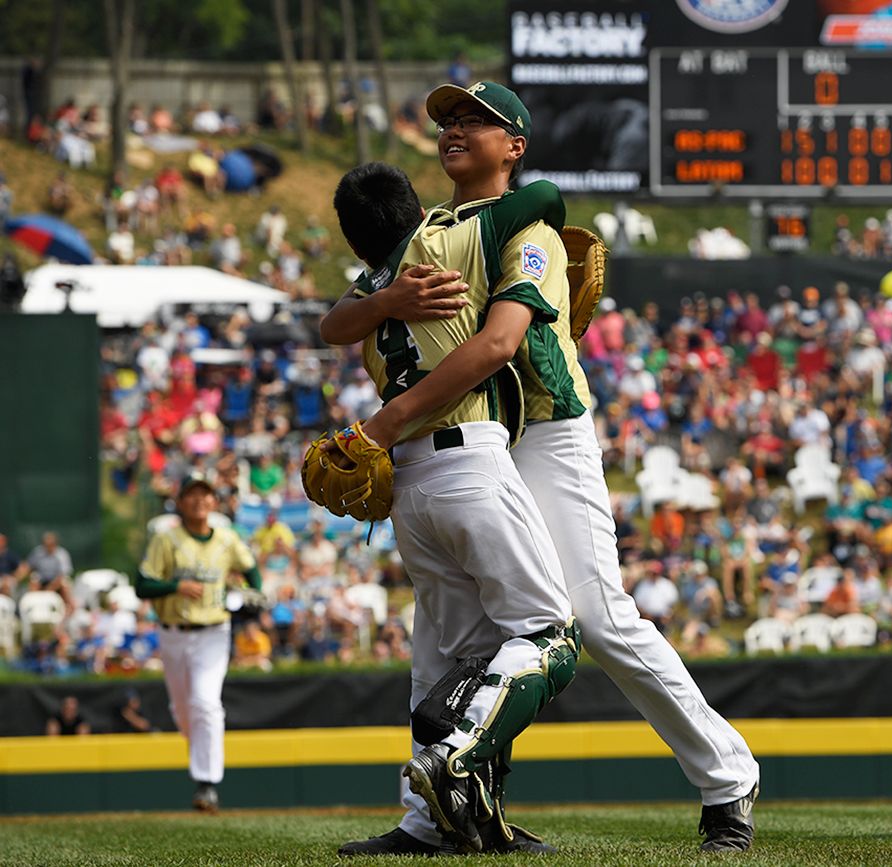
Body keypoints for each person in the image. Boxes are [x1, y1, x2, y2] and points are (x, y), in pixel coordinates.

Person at [326, 80, 760, 855]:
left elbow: (498, 341)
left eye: (476, 120)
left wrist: (385, 417)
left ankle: (729, 776)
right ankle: (441, 815)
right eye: (449, 119)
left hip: (546, 431)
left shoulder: (532, 225)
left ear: (515, 145)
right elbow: (338, 318)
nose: (456, 128)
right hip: (475, 431)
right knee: (447, 636)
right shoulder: (429, 231)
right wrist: (389, 298)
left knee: (595, 619)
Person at [321, 160, 577, 856]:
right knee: (550, 637)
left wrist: (382, 301)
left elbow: (329, 325)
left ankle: (437, 822)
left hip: (408, 480)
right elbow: (546, 197)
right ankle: (453, 757)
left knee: (455, 662)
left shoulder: (372, 285)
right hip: (468, 455)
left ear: (355, 241)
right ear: (417, 208)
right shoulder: (449, 237)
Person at [134, 474, 261, 813]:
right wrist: (174, 587)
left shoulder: (226, 538)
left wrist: (255, 593)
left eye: (206, 494)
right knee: (183, 710)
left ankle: (207, 785)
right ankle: (201, 759)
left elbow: (251, 570)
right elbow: (142, 585)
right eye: (192, 494)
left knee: (205, 703)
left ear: (214, 502)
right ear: (180, 501)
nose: (199, 500)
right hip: (172, 632)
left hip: (213, 631)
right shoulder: (166, 539)